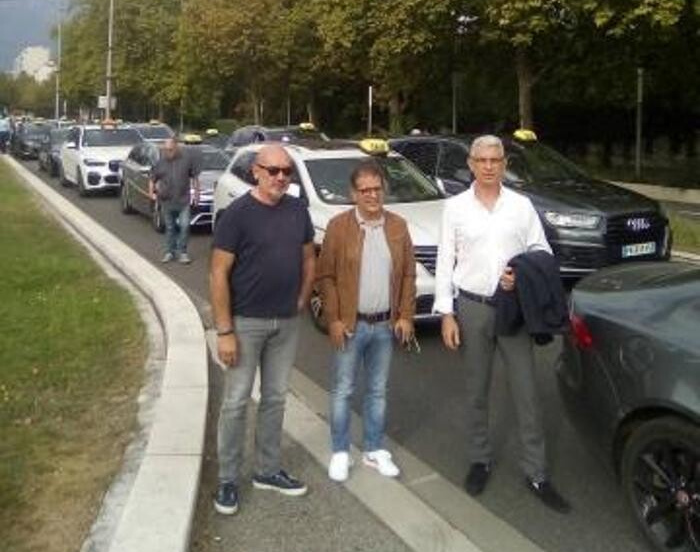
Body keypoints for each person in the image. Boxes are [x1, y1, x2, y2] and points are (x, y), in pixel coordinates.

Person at [434, 134, 571, 513]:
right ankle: (480, 460)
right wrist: (446, 312)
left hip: (513, 308)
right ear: (472, 165)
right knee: (476, 389)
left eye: (496, 160)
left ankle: (537, 472)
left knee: (526, 391)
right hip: (472, 306)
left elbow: (541, 250)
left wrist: (521, 274)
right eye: (483, 160)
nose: (490, 166)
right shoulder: (456, 208)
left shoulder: (521, 206)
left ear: (504, 165)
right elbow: (446, 261)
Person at [210, 144, 316, 515]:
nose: (281, 178)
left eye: (287, 171)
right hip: (245, 324)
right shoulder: (237, 215)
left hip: (285, 323)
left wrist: (302, 298)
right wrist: (224, 331)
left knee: (275, 399)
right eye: (273, 171)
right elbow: (218, 272)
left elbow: (308, 258)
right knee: (236, 402)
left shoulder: (297, 210)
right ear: (256, 171)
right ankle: (227, 479)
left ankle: (267, 471)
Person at [316, 159, 416, 483]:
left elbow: (408, 275)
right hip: (350, 325)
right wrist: (332, 319)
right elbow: (326, 276)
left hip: (385, 326)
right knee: (343, 389)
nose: (372, 195)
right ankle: (341, 451)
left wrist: (406, 315)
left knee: (377, 390)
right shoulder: (338, 227)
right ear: (354, 194)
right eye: (365, 190)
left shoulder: (398, 226)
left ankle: (373, 449)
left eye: (377, 189)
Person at [149, 135, 201, 264]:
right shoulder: (160, 162)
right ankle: (169, 252)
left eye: (170, 149)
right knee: (170, 228)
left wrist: (196, 194)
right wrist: (152, 193)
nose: (168, 152)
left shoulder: (187, 160)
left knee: (184, 226)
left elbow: (195, 178)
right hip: (166, 201)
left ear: (176, 147)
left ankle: (182, 252)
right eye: (166, 150)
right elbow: (152, 179)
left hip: (183, 200)